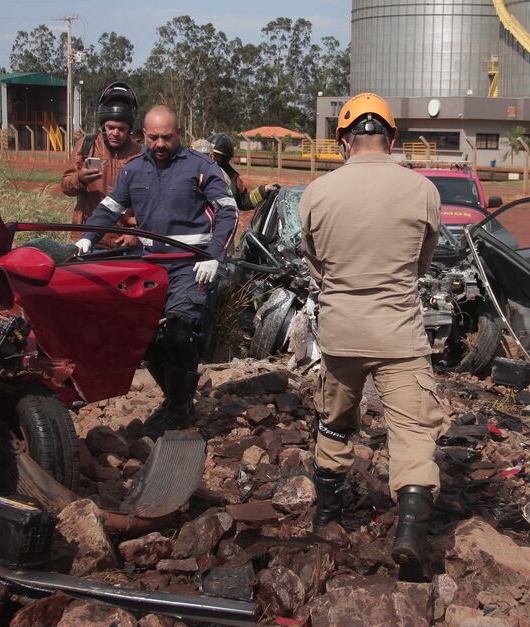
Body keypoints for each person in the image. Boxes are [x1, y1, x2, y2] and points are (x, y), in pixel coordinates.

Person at [300, 92, 448, 582]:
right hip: (399, 334)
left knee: (336, 421)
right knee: (412, 431)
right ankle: (408, 530)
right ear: (393, 138)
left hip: (341, 332)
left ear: (343, 140)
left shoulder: (317, 193)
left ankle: (326, 516)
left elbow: (316, 265)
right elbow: (423, 264)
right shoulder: (423, 190)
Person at [76, 106, 238, 431]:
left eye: (167, 136)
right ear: (144, 135)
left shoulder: (201, 167)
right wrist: (86, 239)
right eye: (153, 137)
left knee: (181, 334)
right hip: (151, 264)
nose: (160, 143)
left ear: (178, 133)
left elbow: (228, 211)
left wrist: (213, 255)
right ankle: (176, 399)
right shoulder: (134, 170)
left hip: (191, 266)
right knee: (145, 337)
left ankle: (178, 412)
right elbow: (110, 207)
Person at [61, 82, 143, 248]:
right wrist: (80, 179)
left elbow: (150, 201)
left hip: (125, 243)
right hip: (87, 239)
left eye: (121, 128)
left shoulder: (141, 153)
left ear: (130, 129)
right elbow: (65, 186)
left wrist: (137, 232)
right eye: (110, 127)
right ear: (102, 125)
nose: (115, 133)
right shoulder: (87, 146)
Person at [207, 133, 278, 210]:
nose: (212, 157)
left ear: (224, 158)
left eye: (216, 155)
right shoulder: (197, 173)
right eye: (209, 154)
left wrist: (263, 190)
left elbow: (242, 201)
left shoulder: (232, 180)